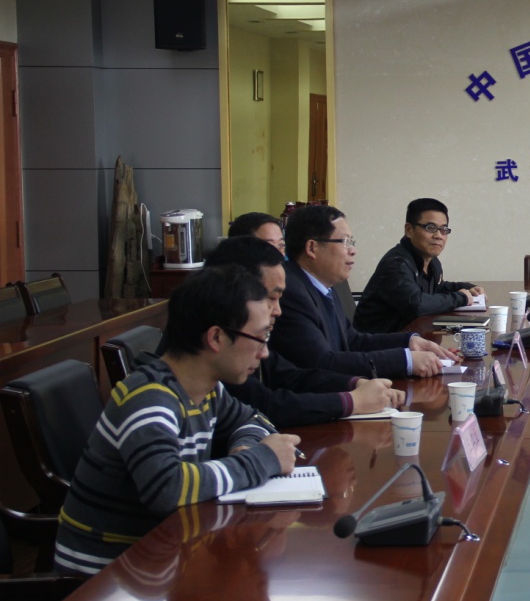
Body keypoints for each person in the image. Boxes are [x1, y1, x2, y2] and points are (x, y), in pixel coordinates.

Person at [55, 265, 301, 575]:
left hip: (161, 561)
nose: (264, 353)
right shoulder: (149, 397)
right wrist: (261, 459)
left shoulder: (208, 390)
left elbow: (255, 420)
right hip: (106, 578)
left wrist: (246, 448)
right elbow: (167, 488)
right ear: (216, 337)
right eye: (261, 337)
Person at [203, 237, 404, 424]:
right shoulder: (221, 352)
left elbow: (293, 376)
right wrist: (353, 401)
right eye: (271, 298)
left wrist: (355, 384)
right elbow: (266, 406)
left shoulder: (327, 291)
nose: (278, 310)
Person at [269, 204, 450, 380]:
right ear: (312, 248)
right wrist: (406, 361)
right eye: (345, 242)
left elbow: (351, 340)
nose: (353, 251)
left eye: (352, 242)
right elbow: (321, 363)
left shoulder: (324, 286)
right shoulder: (290, 292)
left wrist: (409, 341)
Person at [354, 198, 485, 333]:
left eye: (444, 229)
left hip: (410, 336)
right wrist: (461, 298)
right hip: (378, 343)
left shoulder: (432, 262)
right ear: (409, 230)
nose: (439, 236)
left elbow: (437, 288)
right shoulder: (395, 264)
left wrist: (467, 288)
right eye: (431, 228)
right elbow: (416, 304)